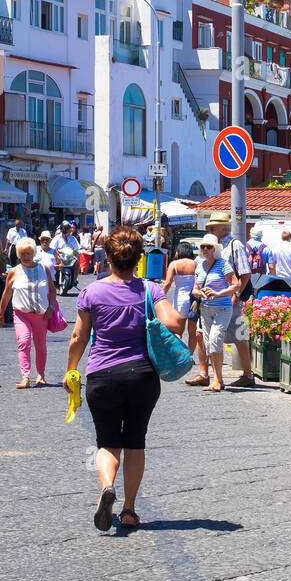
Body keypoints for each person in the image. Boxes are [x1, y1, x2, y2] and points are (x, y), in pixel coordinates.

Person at [65, 227, 182, 531]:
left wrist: (71, 369)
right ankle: (129, 510)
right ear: (139, 259)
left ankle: (106, 487)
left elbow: (79, 335)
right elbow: (173, 323)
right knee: (135, 442)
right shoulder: (149, 289)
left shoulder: (92, 292)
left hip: (102, 375)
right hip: (142, 376)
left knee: (106, 442)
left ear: (108, 257)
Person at [0, 236, 59, 388]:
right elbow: (6, 294)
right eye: (23, 254)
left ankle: (41, 375)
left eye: (28, 253)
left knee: (40, 345)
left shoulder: (43, 269)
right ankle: (25, 377)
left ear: (33, 253)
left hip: (41, 314)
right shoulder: (14, 272)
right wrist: (0, 313)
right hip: (21, 313)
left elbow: (52, 289)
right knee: (23, 342)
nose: (26, 257)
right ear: (18, 254)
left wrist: (51, 307)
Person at [185, 234, 241, 392]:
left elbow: (235, 285)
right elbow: (195, 288)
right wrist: (199, 293)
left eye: (209, 247)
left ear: (215, 249)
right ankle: (217, 380)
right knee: (209, 344)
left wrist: (218, 293)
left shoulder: (224, 265)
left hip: (222, 308)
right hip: (205, 309)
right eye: (203, 246)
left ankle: (218, 380)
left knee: (215, 341)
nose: (205, 249)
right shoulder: (200, 265)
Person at [205, 211, 254, 387]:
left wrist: (237, 296)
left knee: (239, 336)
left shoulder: (235, 245)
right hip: (216, 301)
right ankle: (210, 374)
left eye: (213, 226)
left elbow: (245, 273)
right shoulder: (215, 245)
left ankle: (248, 375)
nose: (210, 228)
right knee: (214, 336)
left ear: (223, 228)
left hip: (232, 299)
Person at [161, 241, 200, 365]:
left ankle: (178, 355)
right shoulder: (196, 264)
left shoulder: (174, 264)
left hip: (180, 300)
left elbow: (167, 284)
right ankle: (189, 356)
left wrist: (161, 297)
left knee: (178, 330)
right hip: (194, 299)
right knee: (192, 331)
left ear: (180, 251)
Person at [262, 228, 291, 295]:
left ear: (282, 238)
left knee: (281, 299)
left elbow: (273, 264)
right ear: (290, 238)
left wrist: (273, 276)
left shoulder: (276, 249)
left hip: (280, 277)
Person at [51, 222, 80, 295]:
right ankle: (51, 278)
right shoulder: (57, 238)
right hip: (59, 257)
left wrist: (76, 253)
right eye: (67, 231)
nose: (68, 233)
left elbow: (77, 248)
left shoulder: (72, 238)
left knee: (77, 262)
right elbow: (52, 247)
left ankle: (75, 279)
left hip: (69, 257)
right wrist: (56, 253)